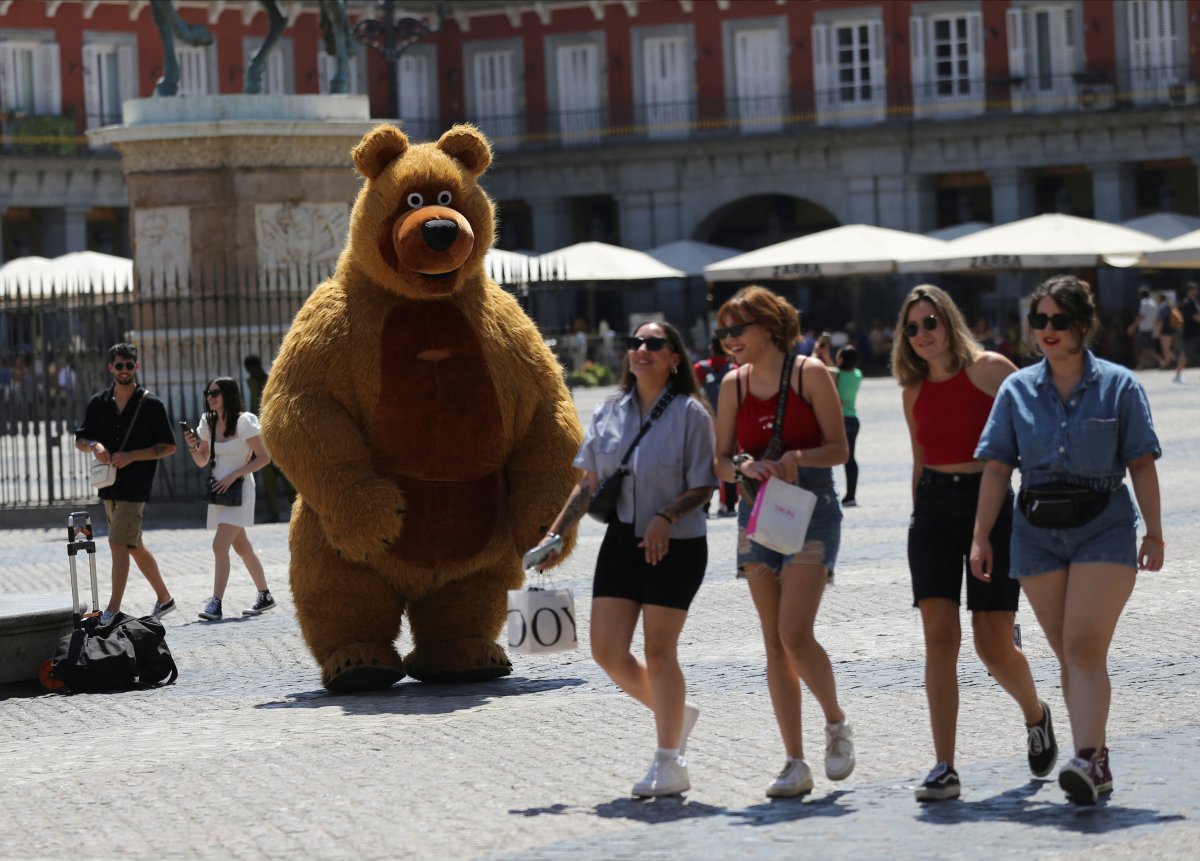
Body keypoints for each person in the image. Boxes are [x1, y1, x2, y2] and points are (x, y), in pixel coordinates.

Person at [971, 274, 1163, 805]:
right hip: (1035, 534)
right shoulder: (1016, 389)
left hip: (1103, 525)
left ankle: (1086, 758)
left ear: (1081, 325)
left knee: (1082, 645)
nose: (1048, 331)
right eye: (1040, 321)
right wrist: (981, 535)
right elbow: (994, 468)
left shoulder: (1119, 385)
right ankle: (1094, 756)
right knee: (1068, 652)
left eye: (1059, 321)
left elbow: (1141, 464)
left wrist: (1156, 532)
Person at [528, 321, 716, 798]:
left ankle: (669, 761)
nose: (641, 350)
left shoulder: (692, 413)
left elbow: (704, 486)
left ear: (675, 357)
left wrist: (665, 518)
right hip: (622, 538)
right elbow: (588, 483)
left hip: (676, 543)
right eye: (635, 343)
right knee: (606, 651)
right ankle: (675, 713)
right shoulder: (610, 410)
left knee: (659, 650)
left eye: (653, 344)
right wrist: (554, 535)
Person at [892, 284, 1056, 803]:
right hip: (934, 513)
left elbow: (1039, 424)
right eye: (912, 327)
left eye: (930, 323)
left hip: (991, 509)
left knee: (991, 644)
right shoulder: (911, 389)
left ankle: (1037, 715)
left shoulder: (989, 370)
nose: (922, 335)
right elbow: (920, 460)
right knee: (940, 637)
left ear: (949, 322)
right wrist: (918, 514)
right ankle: (944, 765)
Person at [712, 285, 855, 799]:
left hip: (811, 510)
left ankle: (836, 721)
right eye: (723, 332)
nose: (729, 340)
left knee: (795, 632)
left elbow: (839, 449)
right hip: (758, 513)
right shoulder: (732, 384)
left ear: (770, 328)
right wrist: (745, 467)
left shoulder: (809, 374)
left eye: (737, 330)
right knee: (773, 641)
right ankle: (794, 761)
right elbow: (720, 461)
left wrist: (798, 457)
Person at [75, 343, 177, 624]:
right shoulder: (98, 403)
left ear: (136, 367)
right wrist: (94, 444)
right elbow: (80, 439)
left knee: (118, 543)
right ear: (111, 367)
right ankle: (165, 599)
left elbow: (169, 446)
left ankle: (112, 610)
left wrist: (132, 456)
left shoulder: (152, 404)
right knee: (132, 545)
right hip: (109, 485)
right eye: (118, 365)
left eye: (128, 365)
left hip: (136, 486)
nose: (123, 370)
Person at [183, 377, 277, 621]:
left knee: (219, 544)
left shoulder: (245, 422)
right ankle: (265, 595)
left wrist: (235, 474)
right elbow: (203, 461)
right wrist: (193, 447)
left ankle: (216, 603)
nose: (209, 397)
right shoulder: (208, 421)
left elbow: (263, 457)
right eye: (207, 392)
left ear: (228, 394)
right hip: (220, 492)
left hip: (241, 490)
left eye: (215, 392)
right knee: (241, 546)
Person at [243, 354, 292, 521]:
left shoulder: (270, 382)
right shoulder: (251, 383)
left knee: (286, 475)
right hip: (259, 435)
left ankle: (295, 507)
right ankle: (274, 513)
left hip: (274, 434)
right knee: (268, 478)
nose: (251, 373)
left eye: (253, 369)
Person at [693, 335, 736, 516]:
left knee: (706, 463)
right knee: (729, 460)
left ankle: (704, 503)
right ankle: (729, 504)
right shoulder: (734, 369)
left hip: (708, 421)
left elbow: (694, 393)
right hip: (731, 422)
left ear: (711, 348)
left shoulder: (700, 368)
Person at [832, 345, 863, 507]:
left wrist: (820, 353)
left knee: (828, 455)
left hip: (839, 419)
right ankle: (851, 495)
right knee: (850, 459)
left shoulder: (836, 374)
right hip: (853, 419)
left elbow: (830, 372)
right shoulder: (858, 374)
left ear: (841, 359)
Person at [1125, 286, 1159, 370]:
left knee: (1145, 348)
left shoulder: (1144, 303)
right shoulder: (1153, 303)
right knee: (1144, 348)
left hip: (1144, 328)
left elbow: (1141, 316)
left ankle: (1161, 360)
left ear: (1141, 295)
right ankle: (1141, 365)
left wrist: (1132, 326)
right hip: (1151, 328)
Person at [1173, 282, 1200, 383]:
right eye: (1193, 290)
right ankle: (1177, 375)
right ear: (1189, 291)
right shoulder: (1187, 303)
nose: (1195, 291)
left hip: (1197, 333)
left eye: (1196, 289)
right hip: (1191, 333)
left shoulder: (1194, 302)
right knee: (1186, 355)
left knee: (1187, 355)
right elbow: (1196, 317)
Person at [1155, 291, 1176, 367]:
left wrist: (1158, 330)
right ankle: (1170, 361)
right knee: (1167, 348)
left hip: (1165, 330)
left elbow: (1161, 320)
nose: (1156, 300)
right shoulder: (1168, 307)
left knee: (1165, 348)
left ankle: (1168, 363)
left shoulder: (1162, 307)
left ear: (1160, 298)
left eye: (1157, 298)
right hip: (1171, 329)